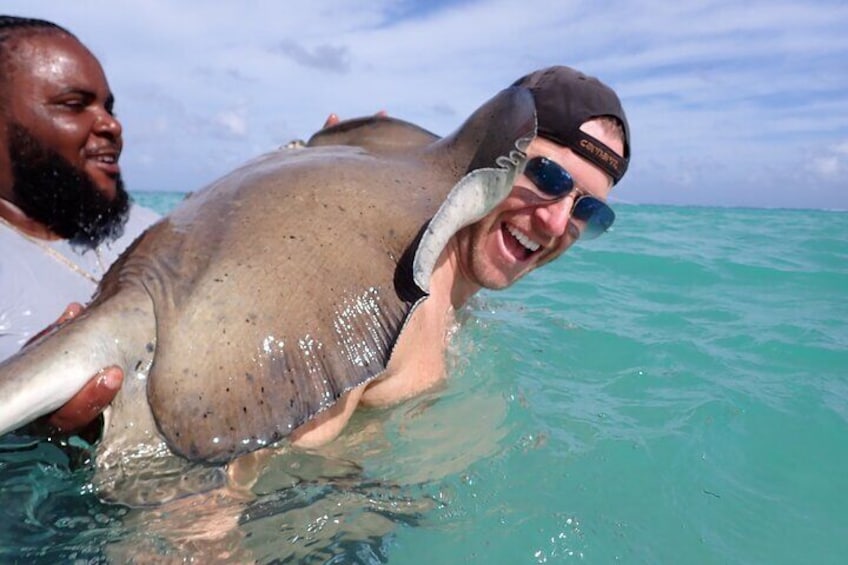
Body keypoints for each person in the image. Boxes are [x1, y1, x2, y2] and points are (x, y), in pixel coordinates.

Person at [286, 65, 629, 447]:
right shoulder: (383, 300)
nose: (556, 223)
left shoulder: (457, 300)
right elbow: (222, 488)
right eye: (548, 177)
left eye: (589, 211)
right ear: (493, 146)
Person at [0, 16, 160, 431]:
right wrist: (33, 437)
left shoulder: (157, 231)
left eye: (108, 106)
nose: (111, 124)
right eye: (75, 104)